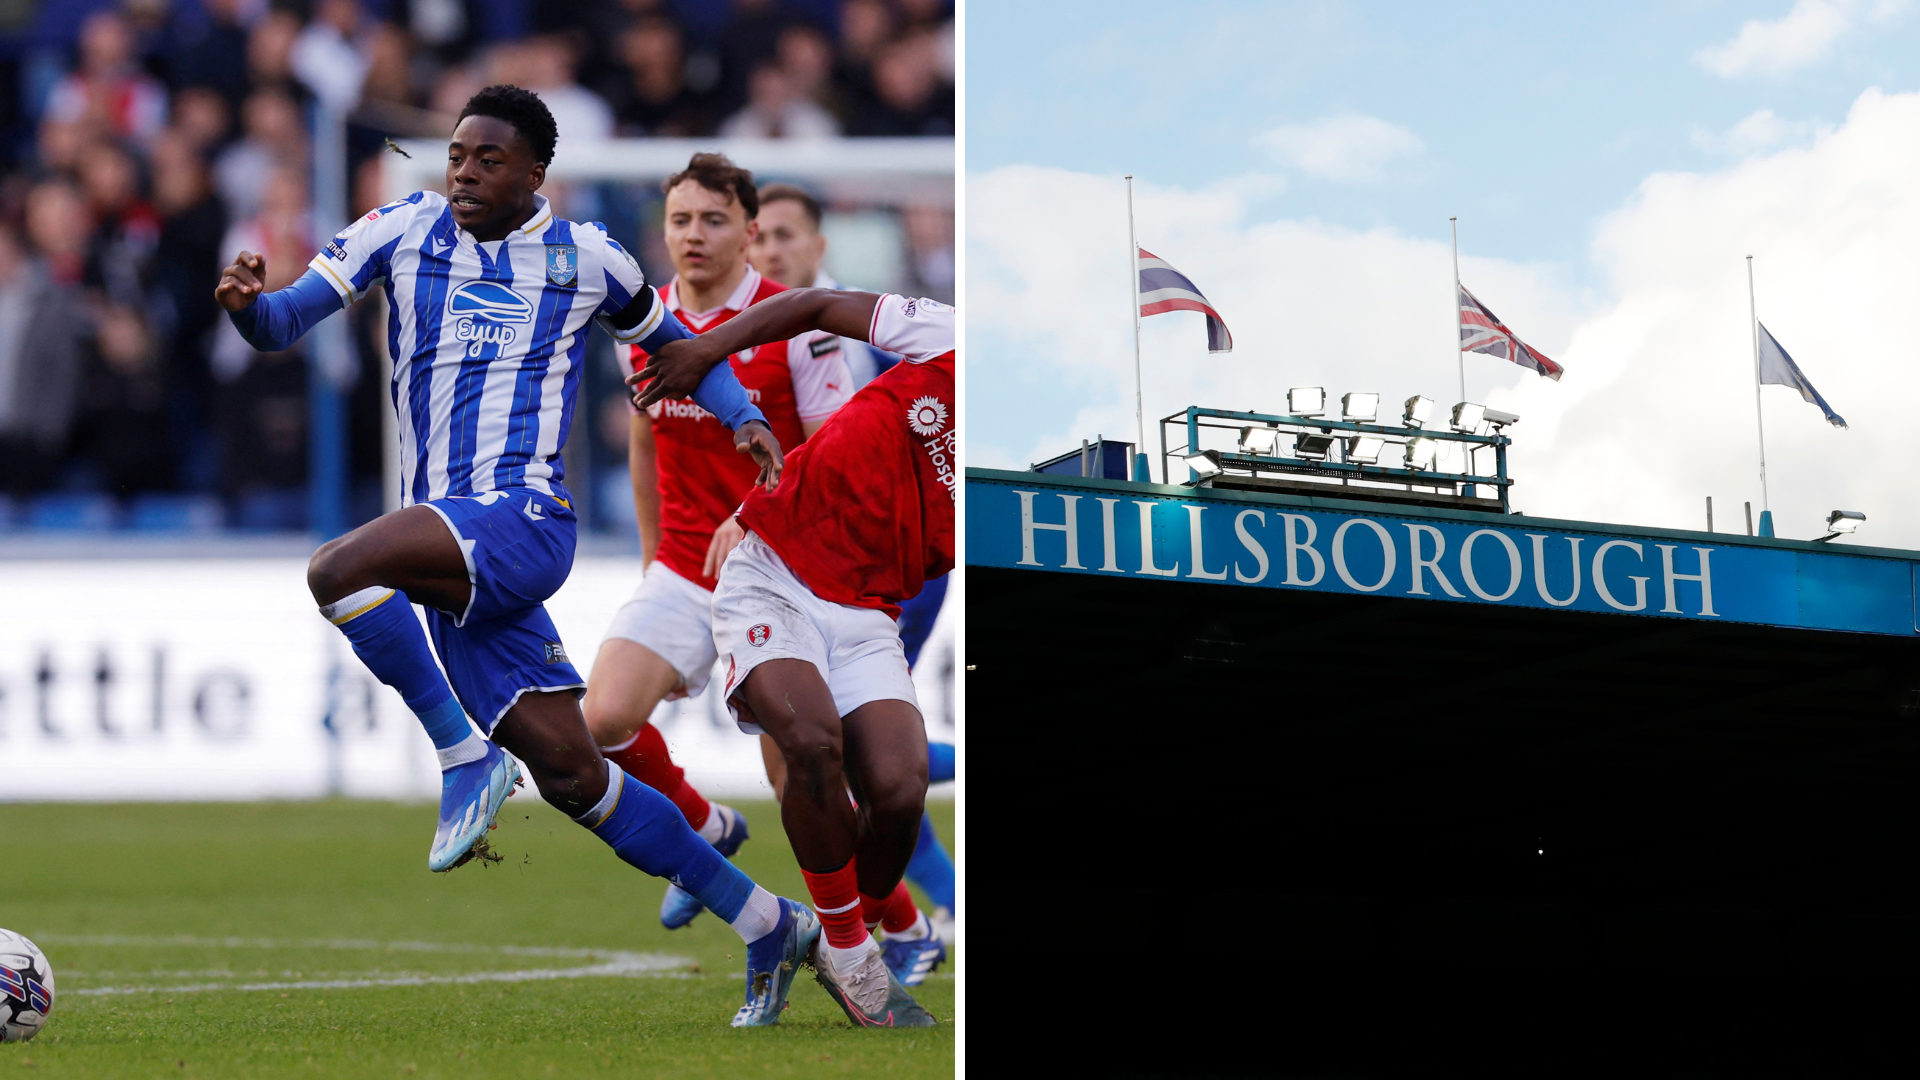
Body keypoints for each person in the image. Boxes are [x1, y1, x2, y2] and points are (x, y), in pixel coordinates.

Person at [213, 85, 815, 1028]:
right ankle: (765, 920)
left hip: (525, 520)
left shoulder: (587, 258)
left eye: (488, 160)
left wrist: (743, 420)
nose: (463, 174)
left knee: (336, 571)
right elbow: (286, 320)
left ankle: (458, 754)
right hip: (445, 540)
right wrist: (249, 308)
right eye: (456, 156)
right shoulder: (399, 228)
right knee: (576, 778)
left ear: (536, 173)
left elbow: (678, 349)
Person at [632, 287, 953, 1028]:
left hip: (868, 607)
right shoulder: (948, 337)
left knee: (900, 791)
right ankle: (851, 947)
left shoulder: (1006, 486)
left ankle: (839, 943)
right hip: (772, 569)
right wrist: (710, 351)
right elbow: (814, 304)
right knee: (810, 743)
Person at [583, 153, 852, 933]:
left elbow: (832, 451)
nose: (693, 235)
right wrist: (650, 558)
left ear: (749, 231)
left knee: (807, 769)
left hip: (782, 573)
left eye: (712, 219)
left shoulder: (796, 321)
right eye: (679, 220)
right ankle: (704, 826)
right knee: (599, 722)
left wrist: (756, 516)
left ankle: (878, 929)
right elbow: (643, 445)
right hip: (684, 568)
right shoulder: (640, 322)